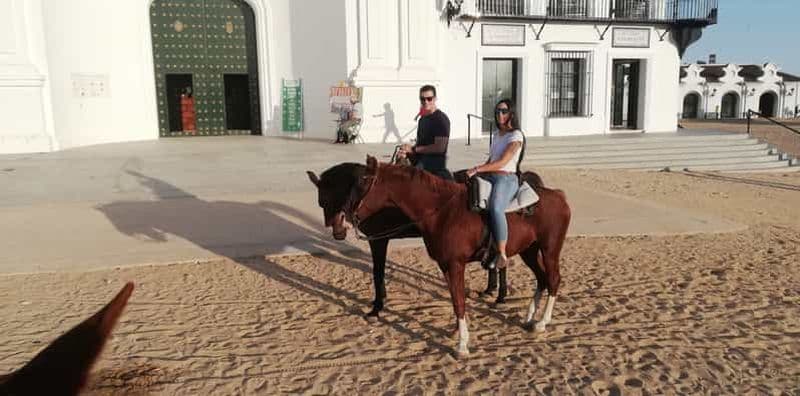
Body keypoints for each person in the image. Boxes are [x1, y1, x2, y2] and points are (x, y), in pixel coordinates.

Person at [466, 99, 524, 270]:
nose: (500, 114)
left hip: (506, 179)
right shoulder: (498, 135)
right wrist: (476, 171)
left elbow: (502, 162)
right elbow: (491, 160)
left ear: (511, 113)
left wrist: (478, 169)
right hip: (491, 175)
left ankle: (502, 253)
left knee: (496, 208)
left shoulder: (516, 136)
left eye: (504, 111)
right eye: (498, 111)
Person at [398, 85, 451, 179]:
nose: (426, 102)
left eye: (429, 98)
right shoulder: (422, 120)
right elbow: (421, 144)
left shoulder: (441, 119)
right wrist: (406, 151)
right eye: (422, 99)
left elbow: (439, 147)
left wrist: (414, 149)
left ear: (435, 99)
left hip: (434, 167)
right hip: (420, 162)